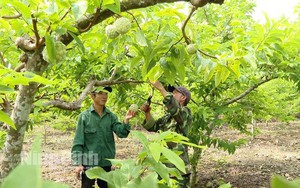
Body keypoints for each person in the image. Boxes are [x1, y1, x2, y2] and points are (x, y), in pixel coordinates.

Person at [71, 86, 137, 188]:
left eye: (106, 93)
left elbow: (122, 133)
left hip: (106, 162)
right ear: (92, 96)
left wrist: (126, 120)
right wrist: (79, 164)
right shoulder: (84, 117)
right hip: (89, 161)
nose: (104, 96)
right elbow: (78, 142)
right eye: (100, 93)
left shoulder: (111, 116)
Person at [140, 81, 193, 188]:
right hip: (163, 166)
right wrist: (147, 113)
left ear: (183, 98)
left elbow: (176, 109)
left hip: (178, 169)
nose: (171, 95)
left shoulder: (186, 113)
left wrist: (161, 89)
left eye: (174, 93)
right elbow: (153, 127)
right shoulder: (167, 116)